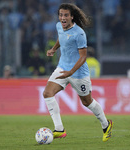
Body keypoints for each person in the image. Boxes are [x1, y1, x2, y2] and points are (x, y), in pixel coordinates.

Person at [43, 3, 113, 142]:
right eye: (61, 15)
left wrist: (71, 72)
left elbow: (83, 57)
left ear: (72, 17)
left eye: (66, 15)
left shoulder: (79, 33)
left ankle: (106, 125)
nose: (62, 18)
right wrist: (54, 49)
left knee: (87, 102)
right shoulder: (59, 26)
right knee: (47, 93)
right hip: (62, 67)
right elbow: (61, 39)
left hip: (78, 73)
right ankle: (59, 129)